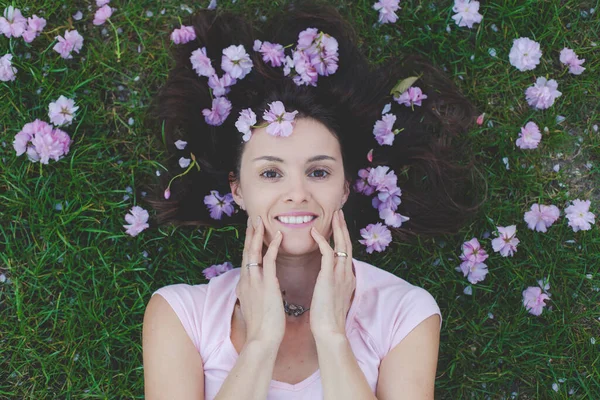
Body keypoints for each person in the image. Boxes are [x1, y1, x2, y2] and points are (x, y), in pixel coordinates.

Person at [142, 1, 484, 399]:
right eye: (271, 173)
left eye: (318, 172)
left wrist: (333, 337)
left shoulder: (403, 314)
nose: (298, 193)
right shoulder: (182, 315)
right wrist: (259, 345)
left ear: (344, 188)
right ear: (237, 189)